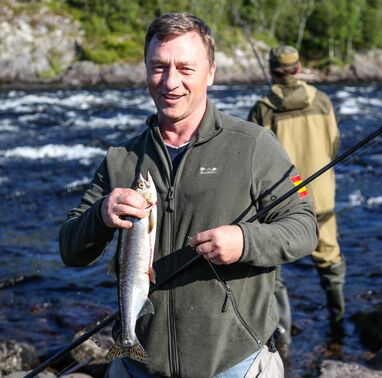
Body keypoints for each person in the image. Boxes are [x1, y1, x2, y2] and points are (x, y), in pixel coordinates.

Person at [59, 13, 318, 378]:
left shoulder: (255, 145)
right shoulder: (121, 159)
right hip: (137, 368)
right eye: (159, 67)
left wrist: (246, 240)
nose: (171, 82)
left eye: (185, 68)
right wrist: (101, 213)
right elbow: (70, 249)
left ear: (210, 72)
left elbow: (305, 226)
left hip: (236, 365)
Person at [248, 46, 345, 352]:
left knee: (273, 269)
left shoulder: (263, 108)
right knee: (329, 261)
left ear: (273, 71)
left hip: (280, 201)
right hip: (321, 197)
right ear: (298, 68)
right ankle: (339, 325)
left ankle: (284, 339)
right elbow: (334, 145)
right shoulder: (322, 100)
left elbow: (254, 162)